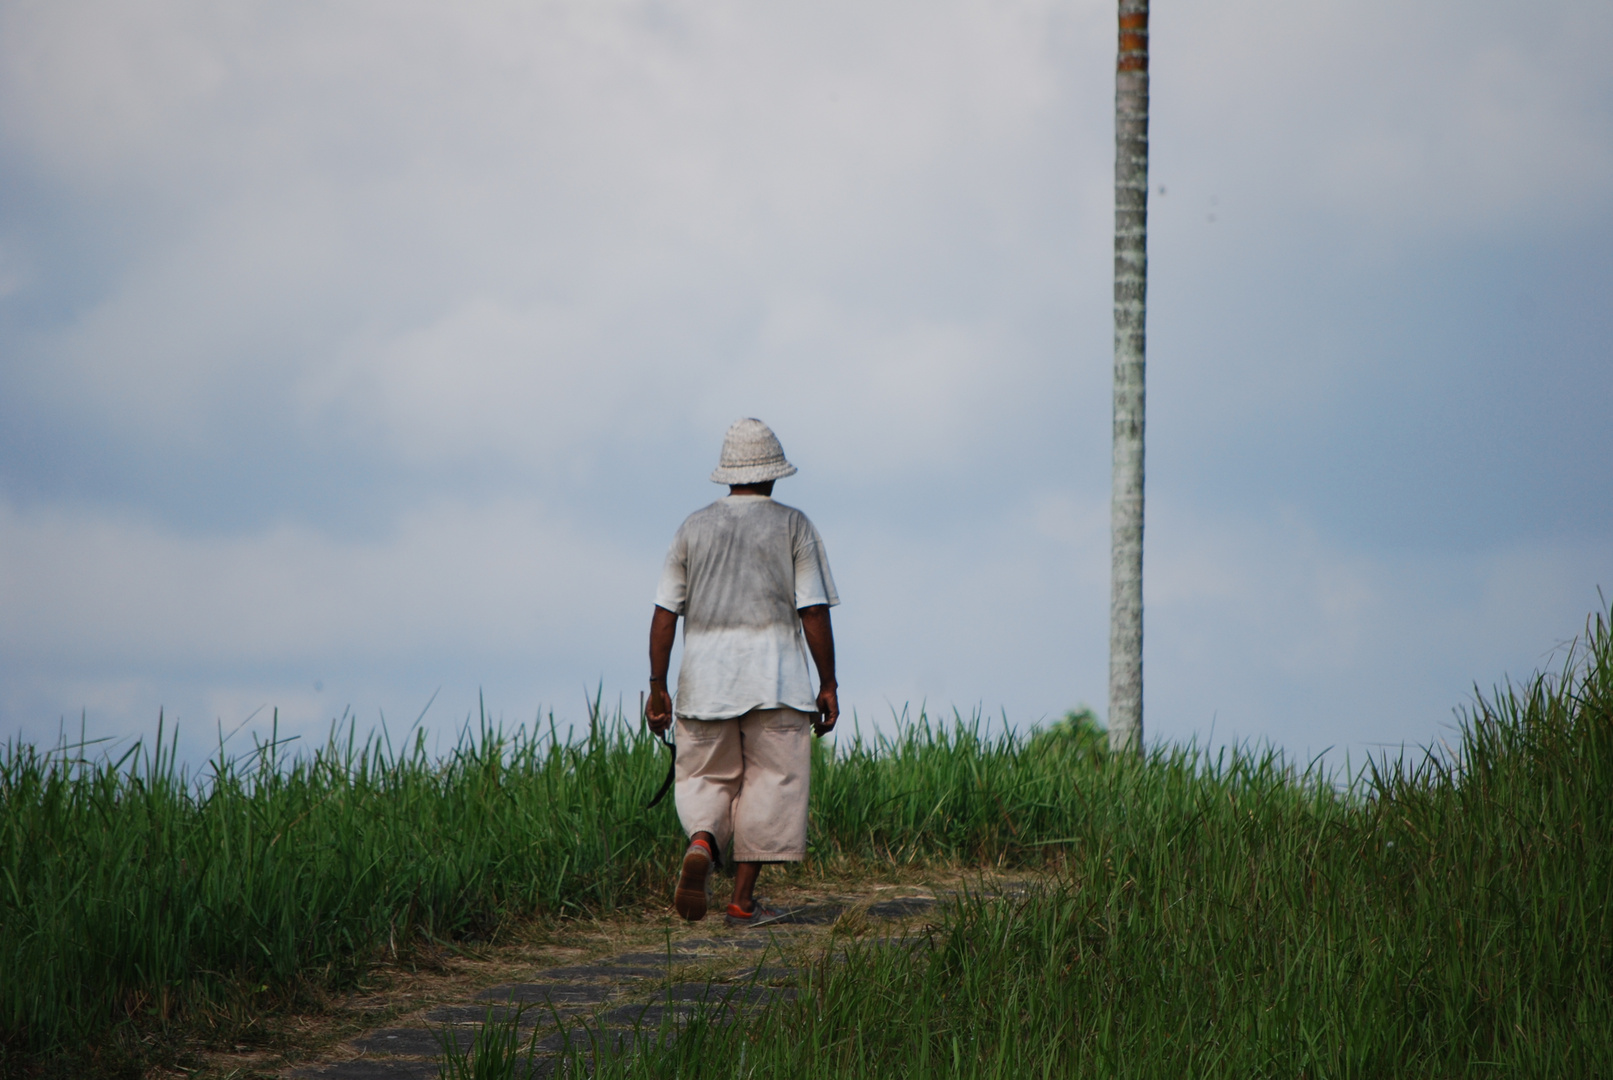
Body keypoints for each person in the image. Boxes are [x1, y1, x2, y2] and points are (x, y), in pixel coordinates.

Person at [645, 418, 840, 927]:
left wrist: (657, 687)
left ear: (728, 473)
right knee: (769, 782)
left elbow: (665, 614)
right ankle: (742, 901)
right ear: (774, 475)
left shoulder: (692, 527)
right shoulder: (793, 525)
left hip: (703, 681)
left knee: (707, 777)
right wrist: (828, 683)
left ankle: (704, 844)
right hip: (776, 680)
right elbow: (813, 611)